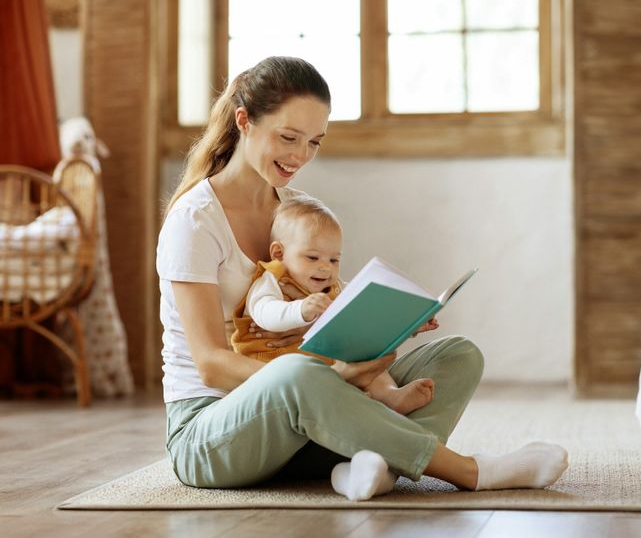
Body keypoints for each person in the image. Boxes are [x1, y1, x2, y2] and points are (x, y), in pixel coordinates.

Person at [157, 55, 569, 501]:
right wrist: (329, 376)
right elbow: (210, 364)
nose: (300, 156)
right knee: (299, 371)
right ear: (244, 121)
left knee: (457, 356)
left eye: (314, 142)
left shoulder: (296, 209)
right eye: (288, 137)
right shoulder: (196, 220)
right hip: (211, 430)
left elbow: (330, 312)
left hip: (301, 419)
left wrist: (388, 328)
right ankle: (471, 471)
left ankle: (364, 467)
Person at [230, 195, 436, 415]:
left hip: (330, 369)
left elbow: (366, 313)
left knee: (368, 356)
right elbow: (263, 312)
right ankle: (357, 404)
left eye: (333, 260)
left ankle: (390, 394)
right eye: (312, 257)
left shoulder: (335, 287)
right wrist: (299, 311)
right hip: (276, 370)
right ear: (279, 254)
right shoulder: (272, 279)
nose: (325, 268)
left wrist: (407, 323)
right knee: (323, 385)